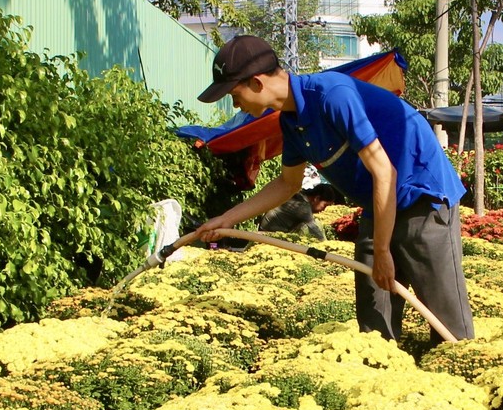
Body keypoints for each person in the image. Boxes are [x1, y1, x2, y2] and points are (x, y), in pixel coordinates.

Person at [188, 34, 474, 341]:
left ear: (256, 83)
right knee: (373, 315)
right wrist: (228, 219)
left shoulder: (331, 95)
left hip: (421, 195)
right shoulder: (290, 121)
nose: (235, 103)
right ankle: (381, 371)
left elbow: (385, 171)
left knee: (444, 316)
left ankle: (461, 371)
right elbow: (288, 183)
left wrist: (382, 250)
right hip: (379, 202)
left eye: (233, 94)